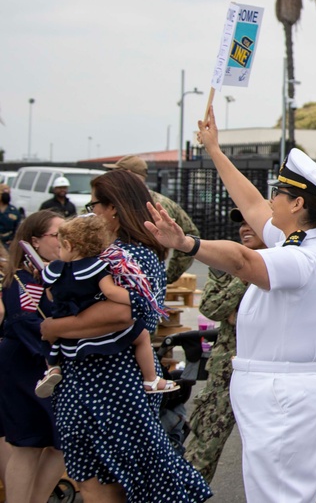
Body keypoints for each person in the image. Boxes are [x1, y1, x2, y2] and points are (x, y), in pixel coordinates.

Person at [146, 108, 316, 503]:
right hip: (275, 389)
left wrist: (188, 244)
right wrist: (215, 150)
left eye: (280, 193)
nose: (271, 199)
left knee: (279, 497)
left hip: (284, 394)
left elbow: (242, 261)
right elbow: (252, 203)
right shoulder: (295, 240)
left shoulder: (303, 258)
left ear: (297, 203)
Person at [39, 169, 211, 502]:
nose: (91, 214)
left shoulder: (128, 256)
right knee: (96, 477)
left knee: (123, 478)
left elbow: (122, 313)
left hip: (115, 378)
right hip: (90, 378)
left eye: (94, 205)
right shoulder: (109, 254)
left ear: (114, 208)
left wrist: (53, 328)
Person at [35, 213, 176, 398]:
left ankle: (52, 369)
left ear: (69, 245)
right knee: (141, 336)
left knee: (47, 338)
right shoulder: (97, 266)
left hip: (65, 328)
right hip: (98, 332)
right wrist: (136, 298)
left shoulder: (55, 268)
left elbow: (50, 295)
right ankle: (150, 378)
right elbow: (111, 292)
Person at [184, 207, 263, 483]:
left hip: (267, 370)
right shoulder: (225, 262)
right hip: (225, 368)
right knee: (204, 444)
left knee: (269, 450)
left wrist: (238, 312)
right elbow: (211, 307)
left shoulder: (281, 262)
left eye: (251, 222)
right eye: (241, 224)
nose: (244, 228)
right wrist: (243, 278)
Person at [0, 211, 67, 503]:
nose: (65, 241)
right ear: (35, 242)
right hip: (25, 367)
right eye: (58, 235)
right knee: (27, 444)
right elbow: (21, 322)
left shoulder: (60, 273)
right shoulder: (21, 279)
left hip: (49, 366)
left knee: (61, 443)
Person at [104, 155, 200, 284]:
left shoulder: (121, 203)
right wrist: (167, 276)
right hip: (147, 278)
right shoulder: (166, 203)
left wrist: (169, 275)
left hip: (122, 278)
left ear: (128, 174)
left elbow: (189, 237)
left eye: (115, 172)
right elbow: (191, 236)